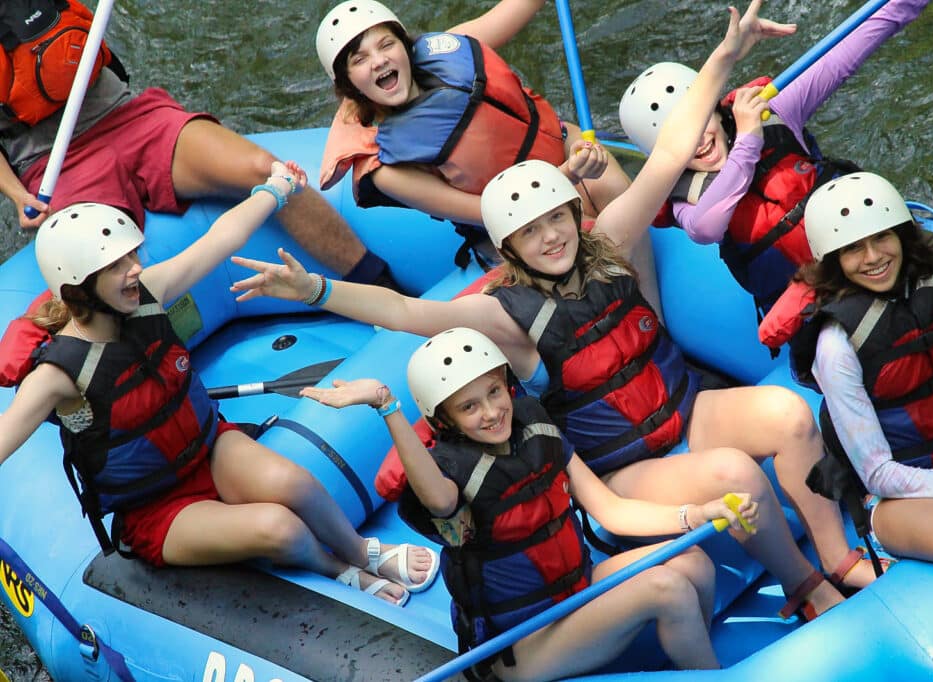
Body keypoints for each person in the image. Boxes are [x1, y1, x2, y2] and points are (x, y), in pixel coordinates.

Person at [233, 1, 851, 616]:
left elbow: (666, 159)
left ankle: (839, 558)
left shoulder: (603, 241)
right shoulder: (505, 315)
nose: (552, 237)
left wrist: (723, 58)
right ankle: (807, 588)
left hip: (683, 409)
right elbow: (402, 312)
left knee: (790, 415)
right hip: (623, 469)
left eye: (558, 219)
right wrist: (314, 289)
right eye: (532, 231)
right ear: (508, 246)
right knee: (737, 475)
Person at [0, 163, 438, 606]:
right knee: (278, 528)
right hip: (154, 509)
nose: (134, 269)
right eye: (117, 266)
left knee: (296, 484)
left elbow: (220, 238)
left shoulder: (147, 294)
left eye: (132, 256)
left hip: (210, 449)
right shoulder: (58, 375)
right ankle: (337, 569)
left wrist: (276, 189)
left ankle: (360, 551)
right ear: (78, 290)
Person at [303, 326, 761, 678]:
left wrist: (699, 514)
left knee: (694, 564)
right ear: (444, 419)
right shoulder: (449, 474)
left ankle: (687, 666)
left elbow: (609, 509)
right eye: (469, 407)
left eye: (494, 392)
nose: (491, 412)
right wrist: (387, 407)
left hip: (578, 590)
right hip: (522, 643)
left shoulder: (534, 427)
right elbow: (440, 500)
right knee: (669, 587)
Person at [765, 171, 933, 649]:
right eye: (852, 249)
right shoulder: (836, 345)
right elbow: (879, 473)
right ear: (833, 260)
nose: (872, 258)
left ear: (900, 231)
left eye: (881, 237)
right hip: (895, 501)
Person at [0, 0, 395, 288]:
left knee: (265, 170)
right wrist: (19, 196)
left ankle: (380, 287)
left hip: (131, 117)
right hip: (52, 159)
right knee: (96, 268)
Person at [618, 0, 930, 322]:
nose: (697, 141)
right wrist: (747, 141)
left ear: (714, 108)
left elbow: (846, 54)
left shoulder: (773, 112)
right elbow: (705, 228)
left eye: (698, 123)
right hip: (817, 307)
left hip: (870, 252)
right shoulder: (682, 198)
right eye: (680, 138)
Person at [315, 0, 631, 270]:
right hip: (521, 226)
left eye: (386, 45)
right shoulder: (385, 166)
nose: (379, 60)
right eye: (360, 59)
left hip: (569, 154)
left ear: (406, 47)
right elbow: (491, 212)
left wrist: (578, 153)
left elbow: (517, 7)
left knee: (627, 214)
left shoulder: (450, 50)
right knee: (606, 248)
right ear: (347, 84)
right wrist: (567, 176)